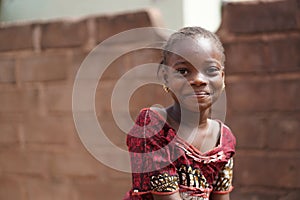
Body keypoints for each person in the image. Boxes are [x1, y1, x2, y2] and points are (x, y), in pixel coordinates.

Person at [124, 27, 236, 200]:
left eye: (211, 70)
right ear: (165, 77)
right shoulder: (154, 126)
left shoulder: (225, 139)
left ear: (222, 77)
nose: (198, 80)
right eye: (183, 71)